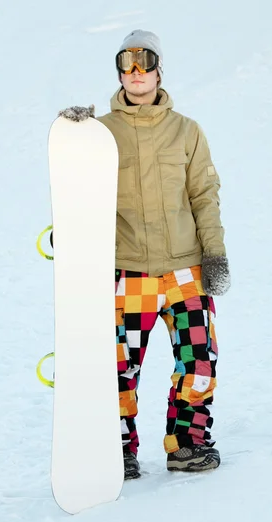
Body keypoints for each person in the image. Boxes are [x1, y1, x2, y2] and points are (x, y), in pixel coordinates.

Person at [58, 30, 231, 479]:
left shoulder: (187, 131)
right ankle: (118, 449)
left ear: (158, 70)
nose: (136, 73)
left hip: (185, 268)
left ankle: (188, 444)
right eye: (127, 64)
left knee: (199, 361)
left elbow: (204, 196)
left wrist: (214, 255)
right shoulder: (101, 133)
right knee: (118, 367)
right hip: (128, 269)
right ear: (119, 72)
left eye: (145, 63)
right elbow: (77, 191)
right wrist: (75, 138)